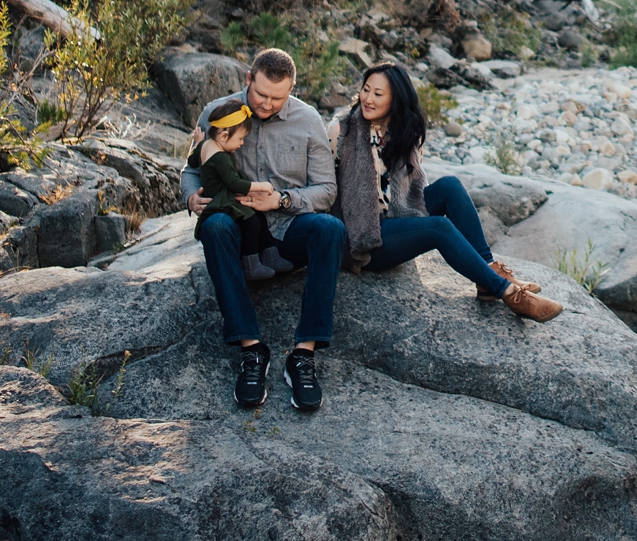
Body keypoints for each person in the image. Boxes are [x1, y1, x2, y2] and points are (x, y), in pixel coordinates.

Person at [330, 62, 563, 321]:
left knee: (450, 186)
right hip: (363, 237)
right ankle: (506, 292)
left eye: (378, 94)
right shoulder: (341, 131)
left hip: (397, 219)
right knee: (437, 227)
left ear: (396, 100)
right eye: (366, 90)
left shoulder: (403, 132)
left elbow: (411, 186)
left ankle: (488, 273)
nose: (368, 99)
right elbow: (327, 188)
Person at [182, 48, 343, 413]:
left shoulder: (308, 119)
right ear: (248, 79)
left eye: (278, 97)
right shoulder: (217, 112)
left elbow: (326, 190)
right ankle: (252, 350)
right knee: (216, 226)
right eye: (261, 95)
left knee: (330, 229)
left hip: (287, 230)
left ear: (292, 89)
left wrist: (282, 201)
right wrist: (191, 197)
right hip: (239, 231)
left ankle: (303, 354)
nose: (268, 104)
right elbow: (191, 170)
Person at [189, 102, 292, 282]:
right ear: (223, 135)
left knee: (258, 216)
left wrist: (197, 143)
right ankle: (251, 264)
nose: (241, 143)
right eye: (240, 139)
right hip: (223, 199)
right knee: (251, 221)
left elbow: (191, 162)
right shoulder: (220, 158)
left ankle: (270, 256)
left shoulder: (205, 145)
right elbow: (233, 183)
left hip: (223, 195)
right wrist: (261, 186)